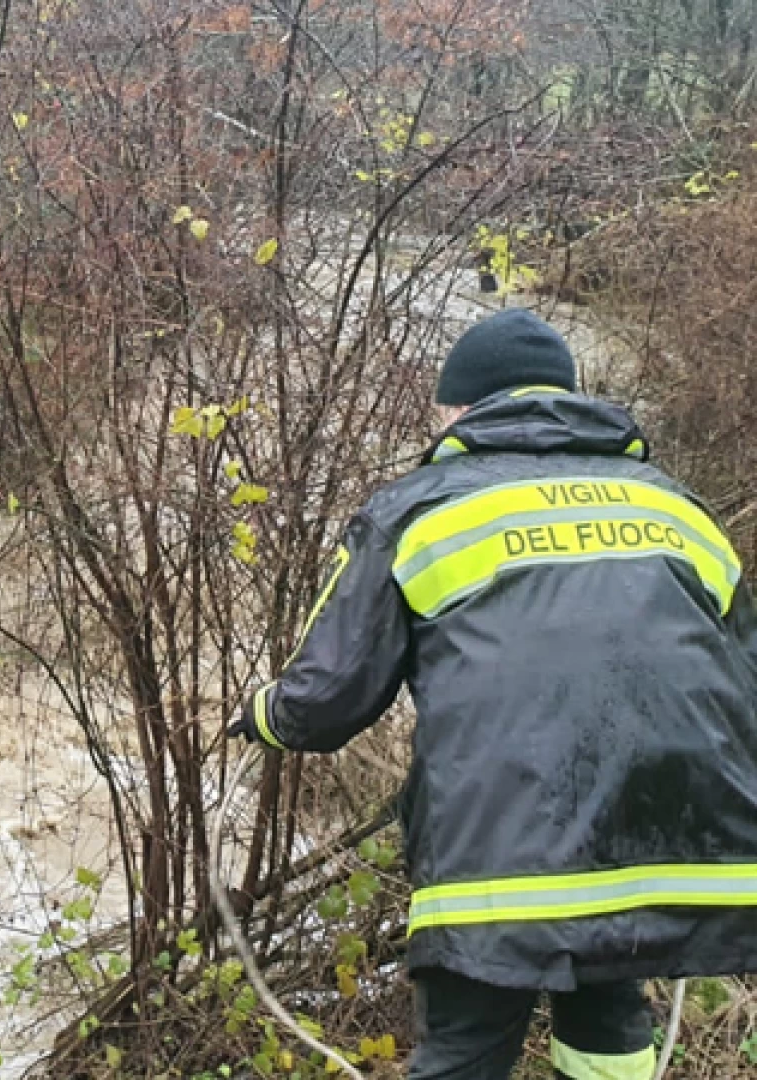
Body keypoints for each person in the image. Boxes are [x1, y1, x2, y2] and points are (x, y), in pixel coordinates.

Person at [229, 308, 757, 1080]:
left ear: (461, 410)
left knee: (468, 1046)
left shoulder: (418, 508)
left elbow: (329, 697)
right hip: (672, 848)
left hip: (500, 854)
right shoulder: (674, 506)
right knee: (608, 1008)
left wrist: (264, 717)